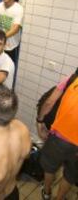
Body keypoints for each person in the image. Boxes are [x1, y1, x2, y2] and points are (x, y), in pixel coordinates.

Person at [37, 68, 78, 200]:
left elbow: (49, 102)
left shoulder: (72, 79)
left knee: (50, 166)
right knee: (71, 174)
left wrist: (40, 121)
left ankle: (47, 192)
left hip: (58, 138)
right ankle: (59, 198)